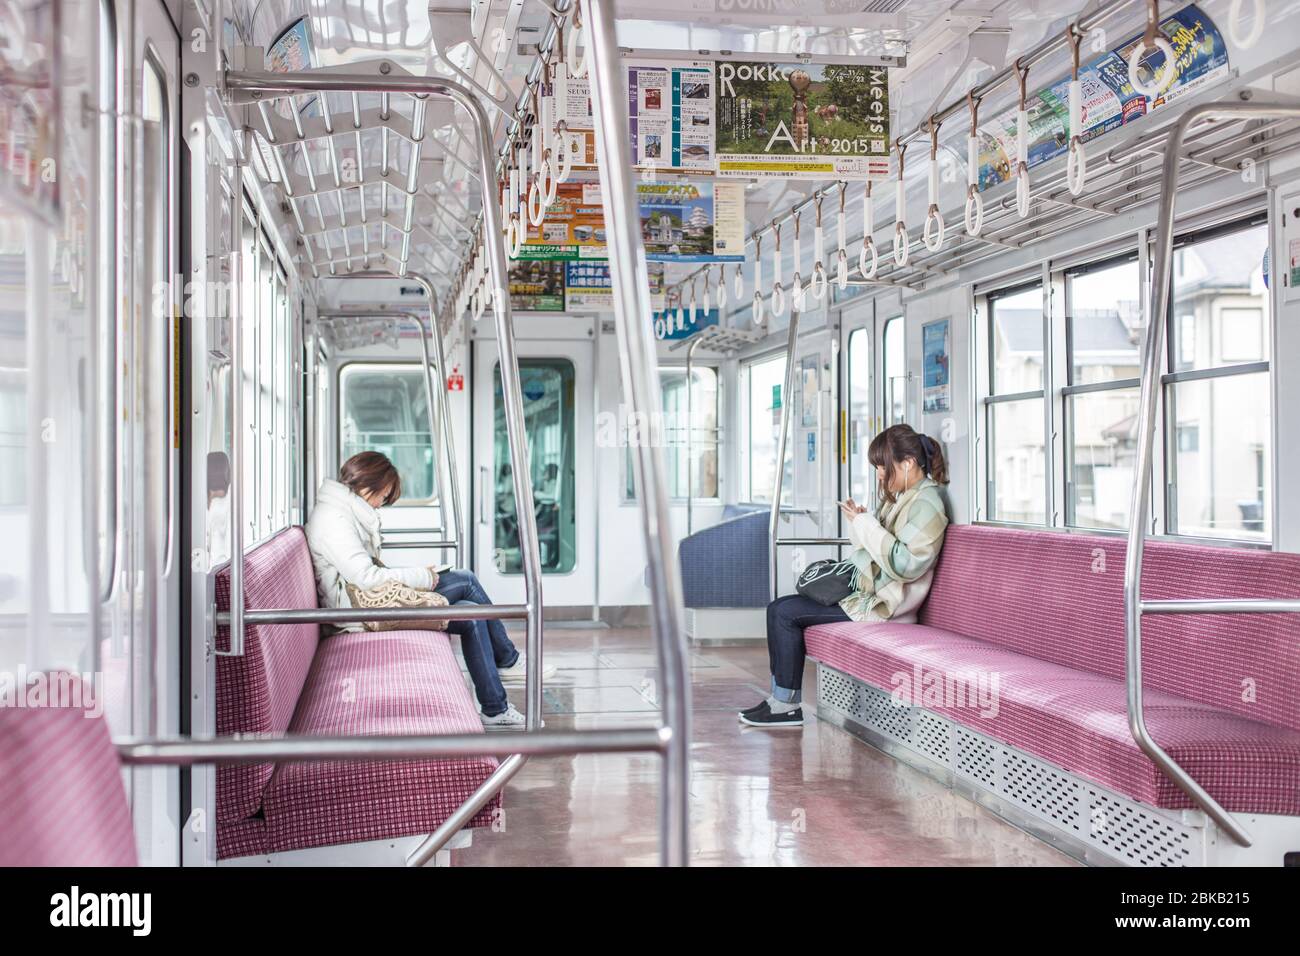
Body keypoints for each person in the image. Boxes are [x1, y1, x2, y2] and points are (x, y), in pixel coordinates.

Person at [306, 451, 546, 730]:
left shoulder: (340, 511)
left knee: (469, 601)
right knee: (468, 593)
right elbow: (367, 578)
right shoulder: (335, 520)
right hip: (357, 614)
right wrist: (423, 576)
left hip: (364, 602)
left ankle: (500, 691)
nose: (381, 504)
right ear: (368, 485)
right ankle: (503, 676)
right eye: (383, 496)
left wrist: (422, 576)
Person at [739, 424, 951, 728]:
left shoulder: (926, 504)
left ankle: (785, 706)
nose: (880, 475)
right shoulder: (904, 497)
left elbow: (905, 565)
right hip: (869, 594)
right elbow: (875, 549)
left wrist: (866, 524)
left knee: (785, 613)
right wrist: (860, 522)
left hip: (887, 606)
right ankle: (781, 700)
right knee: (779, 608)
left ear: (908, 463)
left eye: (883, 466)